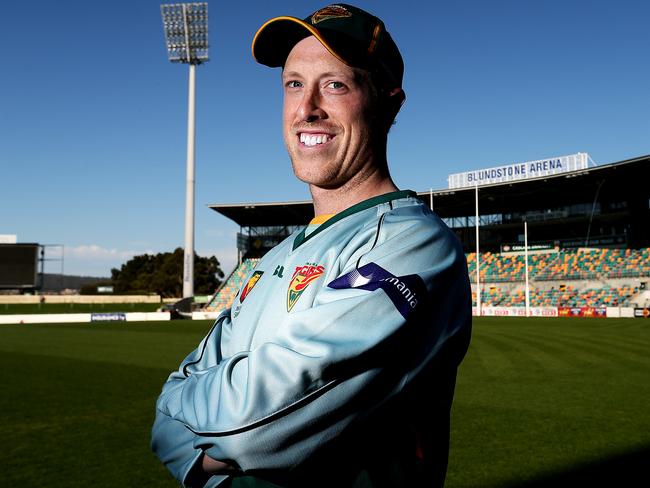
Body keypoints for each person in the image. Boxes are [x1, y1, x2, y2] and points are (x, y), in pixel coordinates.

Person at [151, 4, 472, 487]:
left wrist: (181, 415)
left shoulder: (414, 245)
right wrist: (178, 418)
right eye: (294, 84)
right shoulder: (274, 259)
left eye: (336, 84)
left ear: (389, 102)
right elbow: (164, 425)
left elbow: (246, 429)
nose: (307, 109)